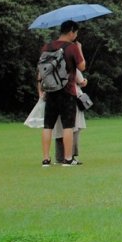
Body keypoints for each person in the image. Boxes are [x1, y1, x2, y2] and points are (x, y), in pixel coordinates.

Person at [39, 20, 86, 167]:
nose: (76, 35)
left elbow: (41, 69)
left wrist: (41, 90)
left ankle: (46, 159)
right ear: (71, 31)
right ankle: (67, 158)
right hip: (67, 91)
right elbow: (82, 66)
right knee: (68, 126)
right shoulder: (72, 47)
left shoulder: (47, 46)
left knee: (48, 125)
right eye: (76, 32)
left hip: (50, 90)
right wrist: (80, 49)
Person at [53, 70, 88, 163]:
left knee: (59, 128)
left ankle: (60, 157)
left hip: (55, 98)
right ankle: (70, 156)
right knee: (74, 127)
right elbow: (82, 82)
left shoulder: (52, 66)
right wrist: (85, 80)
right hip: (71, 98)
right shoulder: (72, 67)